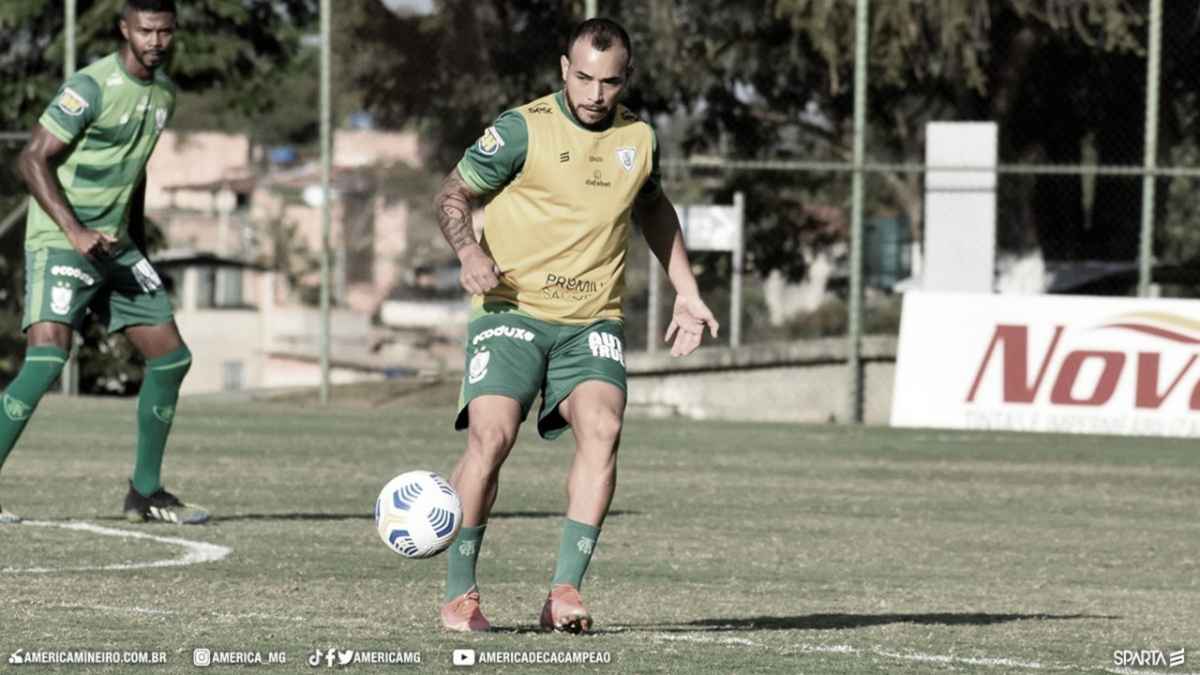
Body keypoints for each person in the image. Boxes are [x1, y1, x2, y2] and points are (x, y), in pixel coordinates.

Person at [433, 17, 718, 633]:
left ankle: (564, 592)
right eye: (583, 77)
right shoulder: (520, 130)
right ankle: (461, 595)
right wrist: (469, 253)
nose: (594, 94)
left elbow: (654, 209)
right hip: (511, 309)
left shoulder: (639, 140)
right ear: (565, 69)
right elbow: (452, 195)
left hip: (592, 318)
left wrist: (687, 292)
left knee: (605, 426)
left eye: (609, 82)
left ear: (626, 78)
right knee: (493, 437)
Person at [0, 0, 208, 525]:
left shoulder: (164, 94)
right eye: (146, 31)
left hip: (117, 246)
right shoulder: (90, 87)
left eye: (164, 32)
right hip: (62, 237)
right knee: (48, 358)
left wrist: (139, 251)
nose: (156, 41)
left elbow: (134, 173)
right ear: (125, 30)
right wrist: (75, 229)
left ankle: (145, 492)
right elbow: (31, 158)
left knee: (170, 358)